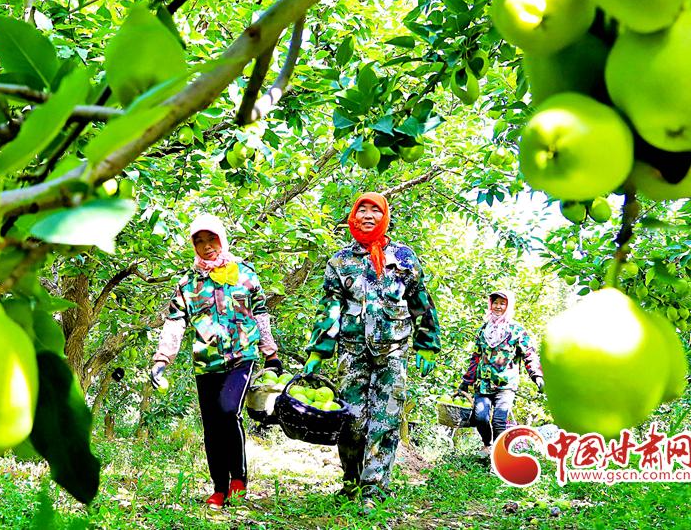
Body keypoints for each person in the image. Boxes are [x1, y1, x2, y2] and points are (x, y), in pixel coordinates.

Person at [304, 192, 441, 504]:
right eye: (362, 209)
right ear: (353, 215)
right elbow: (329, 309)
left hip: (393, 352)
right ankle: (351, 479)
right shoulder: (340, 261)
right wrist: (317, 351)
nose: (368, 215)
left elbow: (421, 302)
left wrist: (427, 344)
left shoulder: (404, 258)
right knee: (350, 421)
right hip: (352, 352)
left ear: (385, 217)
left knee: (385, 421)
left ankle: (374, 489)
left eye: (375, 211)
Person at [149, 213, 281, 510]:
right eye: (199, 241)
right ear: (193, 246)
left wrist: (270, 353)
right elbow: (174, 323)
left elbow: (260, 314)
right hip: (206, 363)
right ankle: (219, 487)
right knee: (211, 424)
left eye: (211, 239)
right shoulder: (188, 283)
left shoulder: (245, 274)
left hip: (242, 357)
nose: (207, 246)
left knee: (227, 411)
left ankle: (239, 480)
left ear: (222, 238)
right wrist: (162, 360)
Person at [458, 290, 544, 458]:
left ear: (508, 306)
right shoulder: (484, 330)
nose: (498, 306)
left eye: (502, 303)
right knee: (480, 416)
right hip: (483, 384)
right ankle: (487, 445)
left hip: (506, 384)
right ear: (491, 305)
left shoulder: (516, 330)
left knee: (499, 420)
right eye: (495, 303)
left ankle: (499, 454)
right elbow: (476, 357)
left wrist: (537, 375)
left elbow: (529, 354)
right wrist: (466, 381)